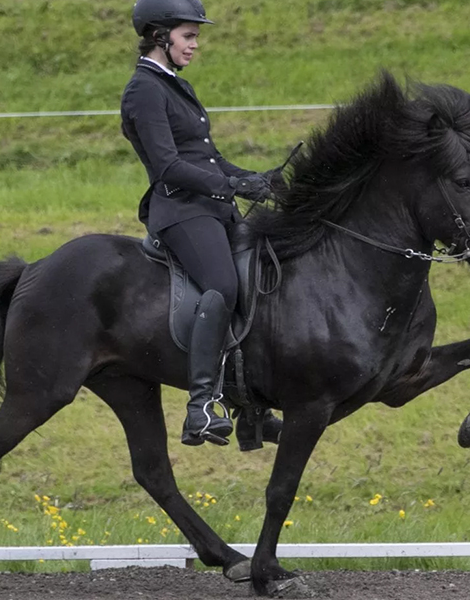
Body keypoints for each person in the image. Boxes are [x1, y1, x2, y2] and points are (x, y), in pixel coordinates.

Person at [121, 0, 281, 448]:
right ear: (160, 37)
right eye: (188, 36)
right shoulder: (144, 90)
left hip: (212, 208)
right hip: (181, 211)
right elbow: (169, 166)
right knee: (223, 285)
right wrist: (231, 184)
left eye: (195, 37)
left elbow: (206, 156)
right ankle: (201, 406)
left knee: (263, 276)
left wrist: (254, 179)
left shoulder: (175, 85)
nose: (194, 45)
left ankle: (252, 408)